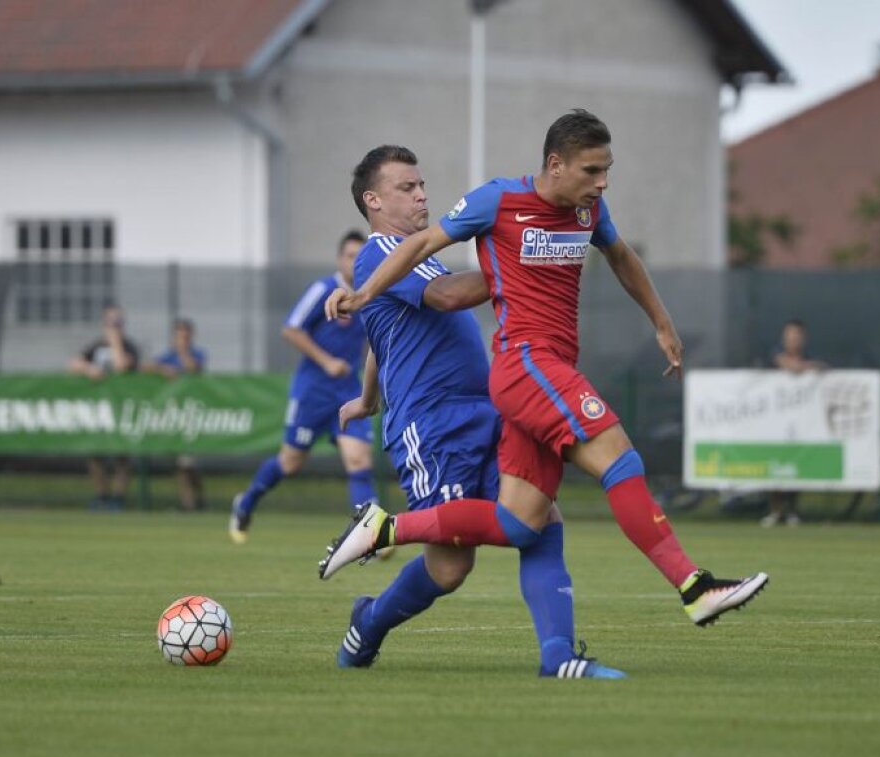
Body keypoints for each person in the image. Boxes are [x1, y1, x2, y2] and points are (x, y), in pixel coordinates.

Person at [320, 109, 768, 629]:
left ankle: (548, 653)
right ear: (556, 165)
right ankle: (694, 586)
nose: (601, 183)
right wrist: (365, 293)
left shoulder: (587, 212)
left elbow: (621, 256)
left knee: (522, 524)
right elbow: (429, 291)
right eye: (591, 172)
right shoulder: (470, 213)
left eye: (607, 172)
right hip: (512, 373)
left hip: (498, 392)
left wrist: (662, 321)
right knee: (617, 458)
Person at [327, 144, 620, 679]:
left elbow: (380, 332)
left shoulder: (415, 255)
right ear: (372, 200)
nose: (421, 193)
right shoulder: (379, 252)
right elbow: (445, 298)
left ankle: (557, 655)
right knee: (451, 565)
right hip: (432, 423)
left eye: (421, 184)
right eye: (406, 187)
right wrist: (524, 265)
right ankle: (368, 620)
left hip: (484, 409)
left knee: (540, 519)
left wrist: (368, 398)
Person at [228, 232, 377, 543]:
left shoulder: (367, 296)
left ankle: (368, 536)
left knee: (359, 459)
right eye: (349, 255)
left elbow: (368, 343)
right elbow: (291, 329)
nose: (354, 261)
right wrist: (326, 361)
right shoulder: (324, 289)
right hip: (313, 391)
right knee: (290, 463)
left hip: (347, 391)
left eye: (359, 256)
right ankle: (247, 501)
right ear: (339, 259)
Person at [68, 304, 140, 511]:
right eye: (110, 322)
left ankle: (118, 498)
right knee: (95, 455)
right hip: (99, 411)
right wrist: (88, 368)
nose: (113, 326)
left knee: (122, 457)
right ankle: (102, 495)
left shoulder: (128, 346)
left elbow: (121, 366)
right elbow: (73, 364)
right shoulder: (95, 347)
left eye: (117, 322)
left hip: (123, 410)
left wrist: (115, 341)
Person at [761, 319, 825, 527]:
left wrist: (807, 367)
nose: (793, 340)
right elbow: (782, 363)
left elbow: (821, 367)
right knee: (775, 463)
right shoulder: (774, 355)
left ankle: (792, 511)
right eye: (789, 336)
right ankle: (775, 510)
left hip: (801, 421)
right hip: (775, 421)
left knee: (797, 463)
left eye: (797, 336)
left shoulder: (811, 358)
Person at [143, 318, 208, 511]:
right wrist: (162, 370)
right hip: (172, 418)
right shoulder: (167, 357)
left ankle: (200, 499)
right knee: (180, 466)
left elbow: (193, 368)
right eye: (179, 336)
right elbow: (145, 368)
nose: (182, 340)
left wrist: (182, 352)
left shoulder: (197, 354)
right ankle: (189, 505)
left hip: (192, 416)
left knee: (189, 465)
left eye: (186, 336)